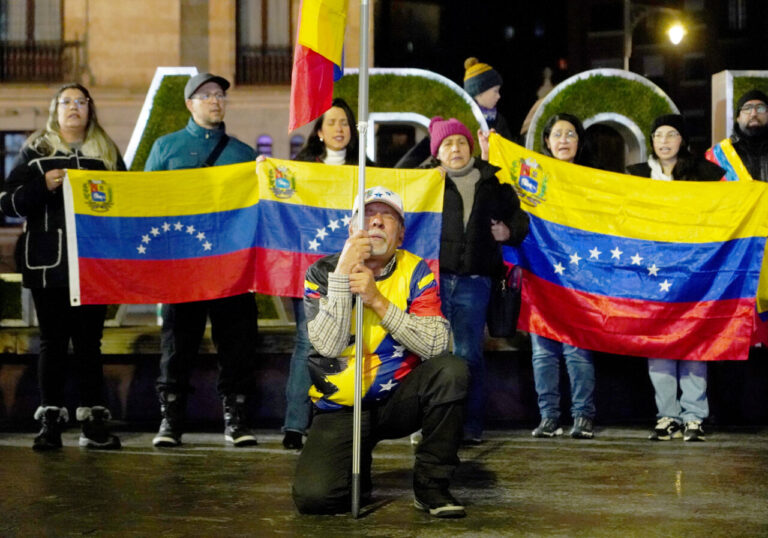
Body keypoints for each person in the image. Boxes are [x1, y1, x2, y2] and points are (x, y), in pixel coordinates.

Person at [292, 186, 469, 518]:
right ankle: (357, 463)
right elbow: (327, 346)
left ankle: (432, 487)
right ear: (351, 229)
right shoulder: (320, 273)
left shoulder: (417, 271)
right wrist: (343, 276)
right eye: (368, 215)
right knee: (316, 499)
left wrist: (377, 300)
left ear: (400, 234)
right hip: (342, 405)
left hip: (398, 397)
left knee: (452, 371)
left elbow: (435, 345)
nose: (376, 222)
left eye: (387, 217)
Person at [0, 83, 123, 450]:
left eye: (80, 102)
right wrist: (42, 185)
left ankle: (93, 422)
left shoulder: (107, 154)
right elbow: (9, 203)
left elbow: (129, 202)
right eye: (66, 102)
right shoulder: (36, 154)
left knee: (90, 343)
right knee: (52, 342)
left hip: (94, 264)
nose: (73, 108)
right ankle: (50, 421)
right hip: (46, 264)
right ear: (55, 109)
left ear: (90, 109)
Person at [144, 72, 259, 448]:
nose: (215, 100)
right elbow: (146, 206)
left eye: (221, 94)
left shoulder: (244, 154)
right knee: (177, 344)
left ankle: (236, 419)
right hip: (183, 267)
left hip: (232, 268)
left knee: (237, 344)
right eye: (206, 94)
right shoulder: (165, 148)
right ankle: (171, 421)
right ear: (189, 103)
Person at [425, 117, 529, 444]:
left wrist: (508, 231)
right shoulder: (423, 182)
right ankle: (429, 424)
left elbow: (519, 219)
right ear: (436, 152)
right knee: (430, 354)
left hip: (474, 282)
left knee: (469, 354)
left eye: (460, 142)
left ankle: (469, 425)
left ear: (470, 146)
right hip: (432, 282)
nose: (454, 149)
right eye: (446, 144)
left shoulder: (491, 182)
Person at [627, 114, 724, 442]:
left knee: (695, 339)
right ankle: (667, 414)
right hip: (653, 272)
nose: (664, 141)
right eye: (658, 135)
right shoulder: (636, 176)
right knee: (660, 341)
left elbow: (727, 210)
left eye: (671, 134)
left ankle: (694, 415)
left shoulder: (704, 175)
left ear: (682, 139)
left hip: (695, 269)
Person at [282, 98, 362, 451]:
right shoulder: (301, 169)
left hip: (355, 272)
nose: (339, 129)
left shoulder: (367, 169)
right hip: (311, 273)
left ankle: (339, 420)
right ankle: (295, 425)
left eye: (344, 122)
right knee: (307, 343)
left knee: (349, 344)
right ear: (319, 130)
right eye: (331, 122)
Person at [531, 113, 596, 439]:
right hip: (541, 273)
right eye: (557, 134)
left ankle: (583, 416)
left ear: (579, 141)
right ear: (547, 141)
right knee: (543, 351)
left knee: (577, 350)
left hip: (580, 278)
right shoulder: (535, 177)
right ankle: (549, 418)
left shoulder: (592, 179)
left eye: (571, 134)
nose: (564, 140)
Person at [706, 89, 768, 181]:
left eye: (760, 108)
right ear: (738, 117)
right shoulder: (719, 154)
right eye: (747, 108)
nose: (754, 113)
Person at [463, 57, 513, 142]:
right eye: (495, 91)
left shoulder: (499, 120)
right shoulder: (465, 122)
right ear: (479, 92)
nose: (498, 96)